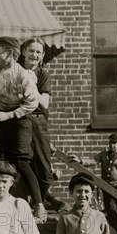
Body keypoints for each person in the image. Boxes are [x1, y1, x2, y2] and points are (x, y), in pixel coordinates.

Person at [0, 36, 45, 223]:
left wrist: (9, 115)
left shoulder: (24, 75)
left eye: (0, 51)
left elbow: (32, 104)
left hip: (21, 119)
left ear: (12, 53)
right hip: (1, 119)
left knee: (21, 160)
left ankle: (39, 205)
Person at [20, 37, 67, 212]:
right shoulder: (14, 71)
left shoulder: (42, 75)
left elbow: (44, 103)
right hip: (17, 120)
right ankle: (33, 204)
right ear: (24, 51)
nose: (34, 55)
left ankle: (40, 200)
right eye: (31, 50)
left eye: (38, 52)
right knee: (21, 165)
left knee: (45, 173)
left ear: (42, 56)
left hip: (37, 121)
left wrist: (30, 84)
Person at [70, 133, 117, 234]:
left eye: (114, 143)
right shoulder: (103, 155)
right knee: (110, 211)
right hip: (107, 189)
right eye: (110, 143)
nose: (112, 145)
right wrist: (80, 160)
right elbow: (93, 161)